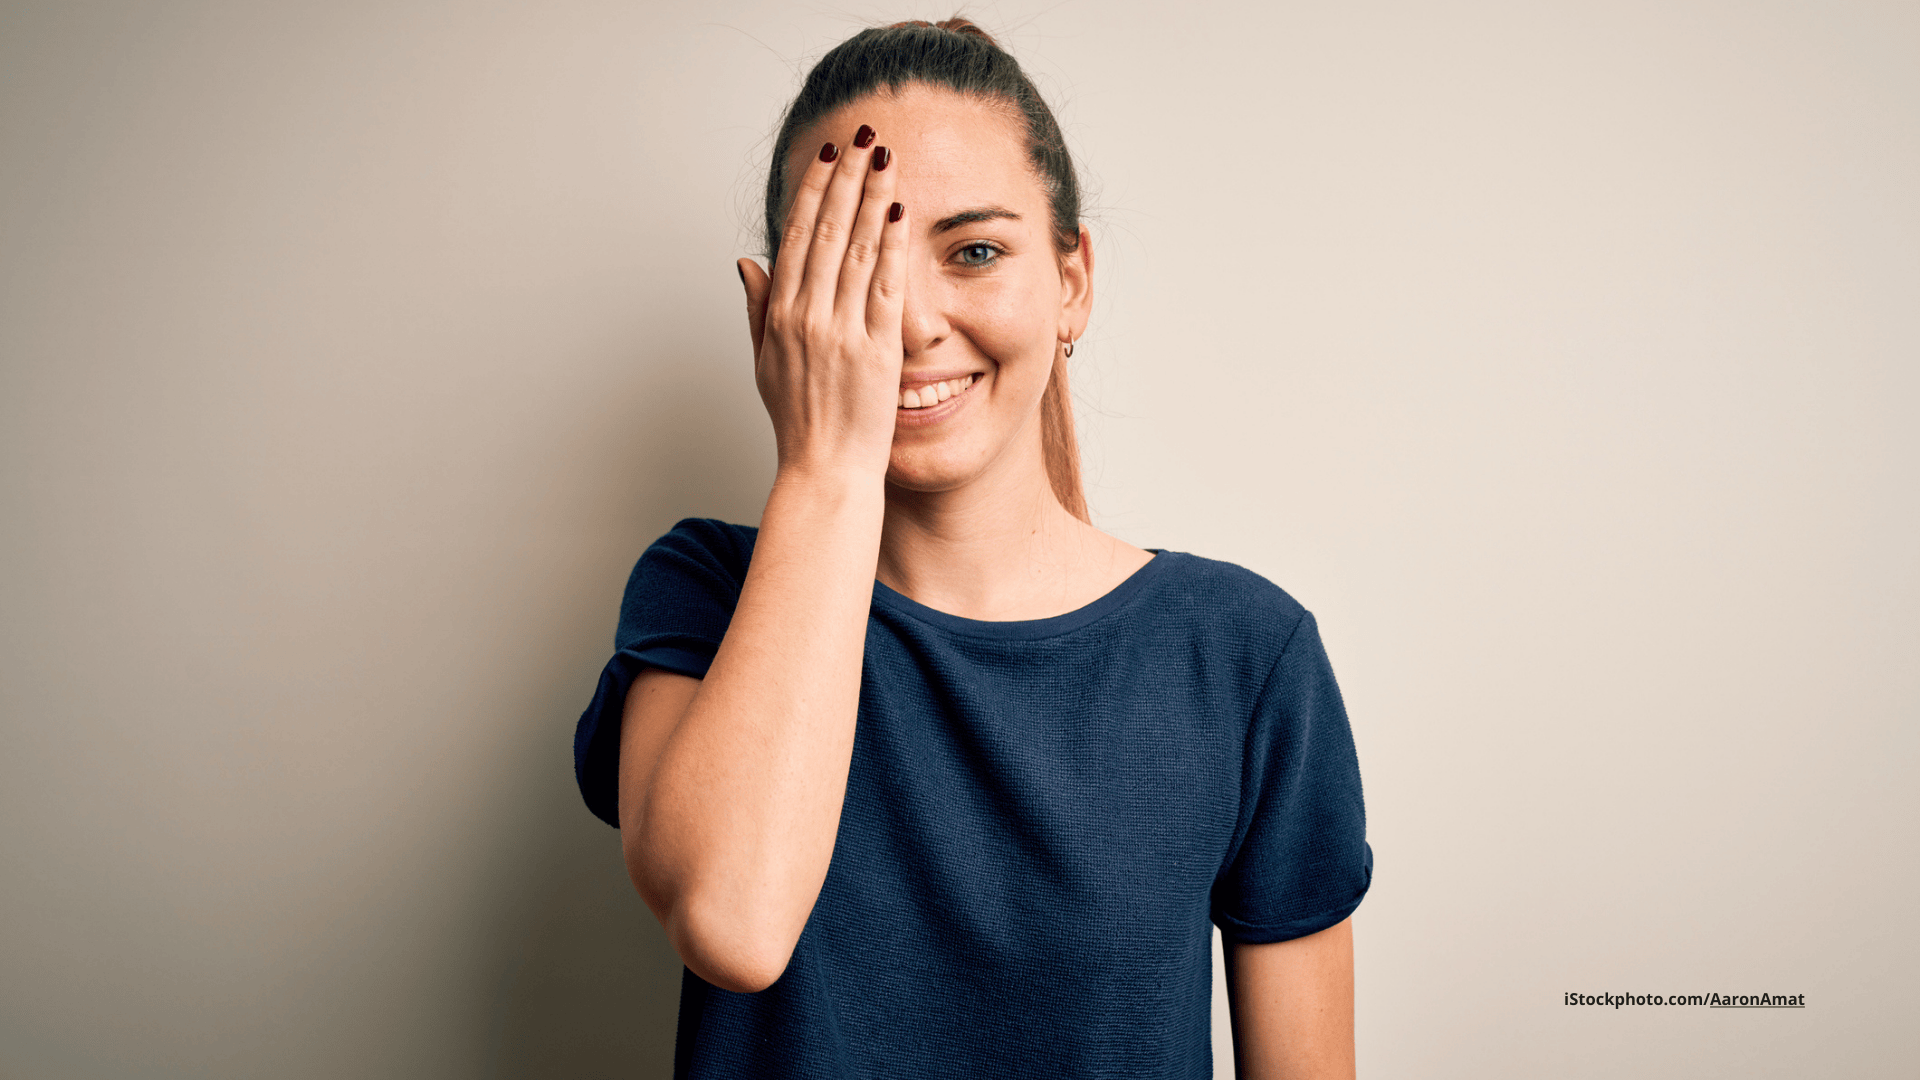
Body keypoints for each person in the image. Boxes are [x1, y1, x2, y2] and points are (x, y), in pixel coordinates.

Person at [572, 18, 1372, 1078]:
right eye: (855, 270)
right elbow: (734, 925)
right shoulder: (702, 594)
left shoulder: (1242, 654)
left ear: (1073, 280)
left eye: (976, 252)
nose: (908, 324)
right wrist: (824, 469)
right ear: (776, 313)